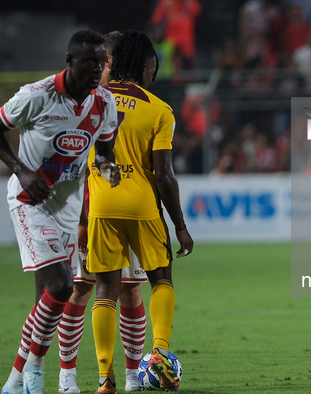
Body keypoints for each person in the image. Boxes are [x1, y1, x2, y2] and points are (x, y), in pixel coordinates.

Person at [0, 30, 121, 394]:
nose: (96, 70)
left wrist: (107, 164)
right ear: (69, 62)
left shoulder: (104, 104)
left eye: (100, 64)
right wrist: (20, 169)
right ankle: (36, 372)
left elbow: (104, 146)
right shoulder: (35, 96)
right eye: (89, 63)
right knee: (63, 285)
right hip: (30, 201)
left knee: (46, 301)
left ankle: (14, 381)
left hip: (69, 208)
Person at [87, 30, 193, 394]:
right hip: (142, 205)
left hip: (101, 204)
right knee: (161, 278)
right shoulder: (158, 109)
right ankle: (160, 354)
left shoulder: (92, 100)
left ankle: (105, 379)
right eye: (153, 69)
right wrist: (179, 225)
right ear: (145, 66)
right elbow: (164, 175)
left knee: (105, 289)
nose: (153, 75)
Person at [56, 31, 147, 394]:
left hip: (122, 212)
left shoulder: (122, 105)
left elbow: (112, 161)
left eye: (108, 63)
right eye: (105, 63)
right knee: (80, 289)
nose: (106, 69)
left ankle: (132, 377)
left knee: (130, 291)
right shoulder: (81, 101)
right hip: (85, 212)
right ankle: (67, 378)